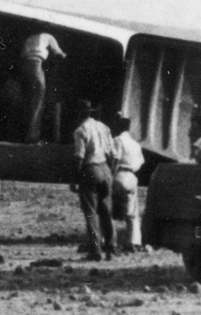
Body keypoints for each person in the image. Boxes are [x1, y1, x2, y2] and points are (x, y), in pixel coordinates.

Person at [72, 102, 116, 260]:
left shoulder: (80, 131)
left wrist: (75, 178)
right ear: (90, 113)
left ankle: (95, 250)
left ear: (79, 114)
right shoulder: (104, 127)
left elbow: (79, 156)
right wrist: (110, 172)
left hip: (90, 169)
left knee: (90, 212)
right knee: (105, 211)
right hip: (105, 168)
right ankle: (111, 245)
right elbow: (112, 153)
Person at [18, 28, 67, 142]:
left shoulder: (29, 38)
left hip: (25, 66)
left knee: (27, 100)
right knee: (37, 100)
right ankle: (32, 138)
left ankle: (23, 135)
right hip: (35, 64)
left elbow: (22, 54)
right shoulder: (48, 36)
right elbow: (59, 53)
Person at [111, 116, 146, 253]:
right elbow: (140, 162)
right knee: (132, 212)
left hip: (119, 174)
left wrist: (111, 175)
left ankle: (109, 241)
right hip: (132, 176)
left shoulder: (117, 140)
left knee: (111, 210)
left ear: (118, 127)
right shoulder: (135, 144)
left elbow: (115, 159)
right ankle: (134, 242)